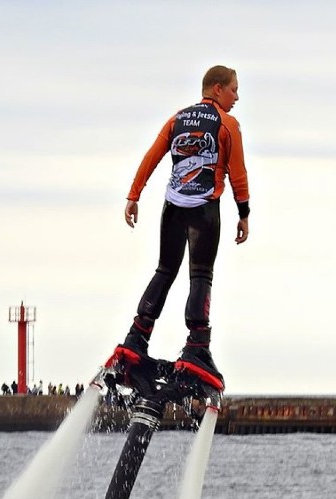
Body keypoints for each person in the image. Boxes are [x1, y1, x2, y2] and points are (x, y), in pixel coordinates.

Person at [113, 65, 250, 391]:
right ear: (217, 89)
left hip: (172, 209)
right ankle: (197, 346)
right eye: (233, 89)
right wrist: (244, 213)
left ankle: (137, 337)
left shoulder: (177, 120)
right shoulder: (227, 124)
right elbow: (238, 174)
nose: (237, 96)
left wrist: (134, 196)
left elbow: (151, 157)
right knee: (200, 275)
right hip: (204, 210)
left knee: (164, 270)